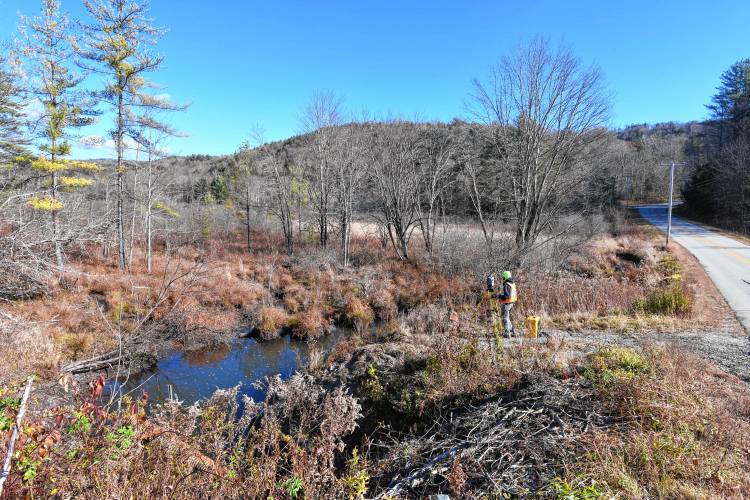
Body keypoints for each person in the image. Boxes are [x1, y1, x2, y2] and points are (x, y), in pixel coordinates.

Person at [496, 270, 517, 337]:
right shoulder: (512, 283)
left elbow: (506, 296)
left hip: (507, 303)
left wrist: (498, 296)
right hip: (511, 303)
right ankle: (512, 331)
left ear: (505, 277)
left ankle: (507, 333)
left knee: (504, 318)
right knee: (507, 317)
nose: (502, 278)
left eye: (503, 277)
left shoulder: (506, 284)